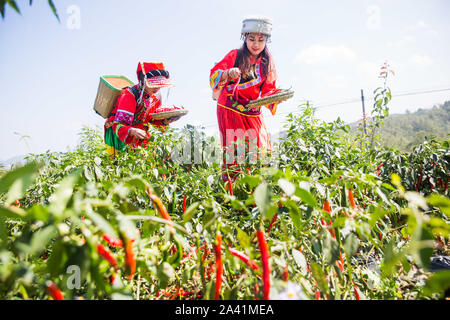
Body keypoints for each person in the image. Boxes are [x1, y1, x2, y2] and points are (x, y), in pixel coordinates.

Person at [209, 16, 280, 182]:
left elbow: (269, 89)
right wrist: (228, 73)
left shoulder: (267, 63)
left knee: (262, 150)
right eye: (252, 39)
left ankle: (258, 190)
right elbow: (214, 74)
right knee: (236, 152)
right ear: (245, 38)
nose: (256, 44)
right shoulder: (235, 55)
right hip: (230, 108)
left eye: (261, 40)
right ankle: (232, 192)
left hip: (253, 111)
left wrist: (274, 98)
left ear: (266, 41)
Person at [104, 62, 183, 157]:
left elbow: (150, 118)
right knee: (121, 165)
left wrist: (165, 121)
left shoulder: (156, 97)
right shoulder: (129, 95)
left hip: (140, 133)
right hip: (120, 136)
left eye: (159, 84)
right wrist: (131, 130)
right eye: (153, 84)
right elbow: (118, 124)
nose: (157, 88)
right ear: (142, 79)